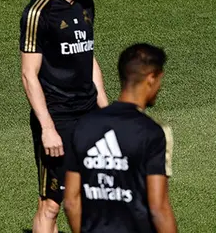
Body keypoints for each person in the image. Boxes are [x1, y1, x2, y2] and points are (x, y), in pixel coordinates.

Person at [19, 0, 108, 232]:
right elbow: (28, 74)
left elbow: (89, 57)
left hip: (89, 114)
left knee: (91, 195)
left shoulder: (86, 6)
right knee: (52, 203)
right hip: (58, 118)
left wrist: (105, 108)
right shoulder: (38, 12)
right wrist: (47, 128)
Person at [64, 44, 176, 233]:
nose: (160, 87)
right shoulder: (152, 132)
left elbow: (70, 202)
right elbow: (159, 209)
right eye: (159, 80)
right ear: (151, 78)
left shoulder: (84, 126)